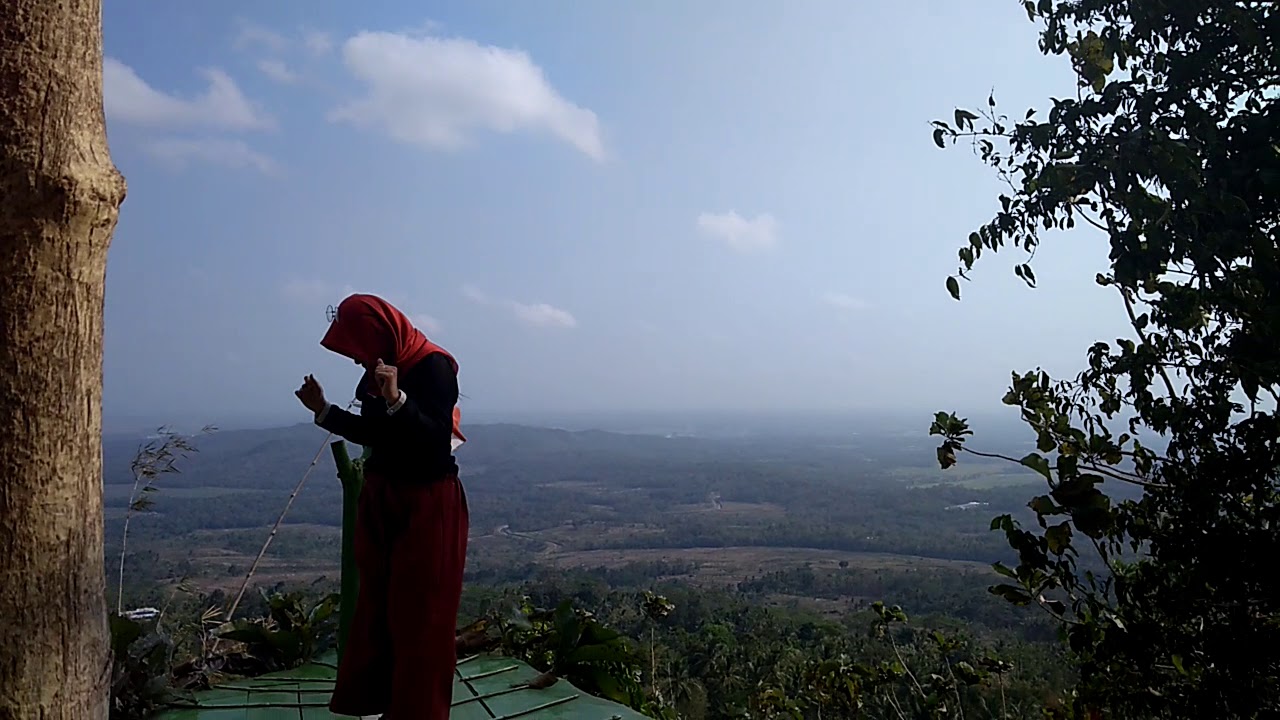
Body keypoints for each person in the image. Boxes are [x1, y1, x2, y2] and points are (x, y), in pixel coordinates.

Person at [294, 293, 468, 720]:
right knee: (380, 605)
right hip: (384, 497)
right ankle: (379, 703)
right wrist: (324, 411)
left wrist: (397, 400)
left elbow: (432, 441)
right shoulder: (373, 377)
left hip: (428, 503)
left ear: (379, 333)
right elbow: (373, 434)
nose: (357, 360)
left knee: (423, 614)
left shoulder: (434, 368)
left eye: (358, 348)